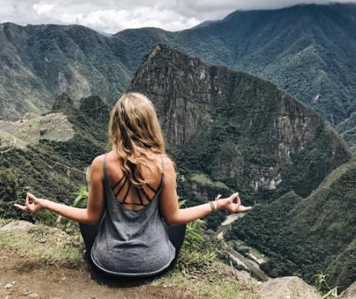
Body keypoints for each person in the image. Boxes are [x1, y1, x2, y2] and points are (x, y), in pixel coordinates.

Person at [14, 92, 252, 278]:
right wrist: (218, 205)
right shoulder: (164, 165)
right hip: (155, 265)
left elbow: (91, 217)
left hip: (107, 265)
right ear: (150, 125)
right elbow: (173, 219)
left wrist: (45, 204)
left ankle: (103, 255)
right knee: (177, 224)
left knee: (88, 220)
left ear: (116, 126)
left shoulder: (101, 164)